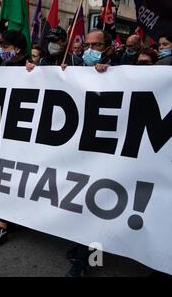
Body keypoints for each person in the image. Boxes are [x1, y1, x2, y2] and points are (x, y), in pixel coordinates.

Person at [66, 29, 117, 278]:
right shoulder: (80, 67)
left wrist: (112, 72)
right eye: (86, 45)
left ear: (107, 48)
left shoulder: (123, 68)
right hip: (82, 145)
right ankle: (80, 245)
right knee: (81, 196)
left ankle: (87, 260)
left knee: (99, 201)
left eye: (95, 46)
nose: (89, 50)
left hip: (109, 148)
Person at [0, 30, 30, 247]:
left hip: (22, 130)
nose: (1, 50)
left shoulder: (34, 67)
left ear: (17, 49)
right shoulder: (2, 67)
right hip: (0, 125)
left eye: (6, 46)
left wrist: (38, 72)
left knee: (13, 173)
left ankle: (2, 226)